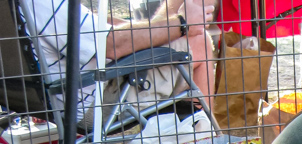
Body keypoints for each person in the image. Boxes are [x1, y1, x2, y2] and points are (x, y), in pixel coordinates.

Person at [29, 0, 215, 125]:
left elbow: (97, 31)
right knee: (199, 41)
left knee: (162, 29)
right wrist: (181, 23)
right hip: (95, 101)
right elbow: (112, 45)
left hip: (46, 100)